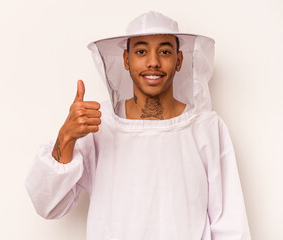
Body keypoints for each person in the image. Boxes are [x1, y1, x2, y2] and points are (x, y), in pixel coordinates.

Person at [25, 11, 251, 239]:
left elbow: (230, 222)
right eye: (141, 51)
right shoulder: (98, 124)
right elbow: (48, 205)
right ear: (126, 59)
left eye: (164, 51)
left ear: (179, 60)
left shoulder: (206, 128)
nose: (153, 62)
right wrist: (66, 137)